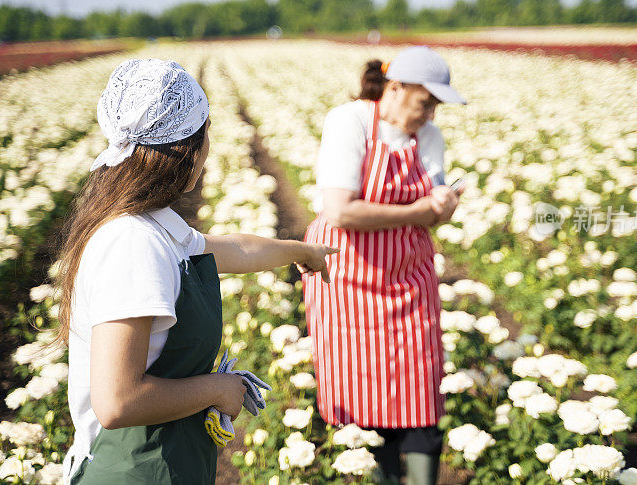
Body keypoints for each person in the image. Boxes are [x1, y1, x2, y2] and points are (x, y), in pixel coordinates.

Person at [56, 58, 335, 484]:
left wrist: (304, 251)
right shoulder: (133, 243)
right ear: (188, 148)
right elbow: (116, 401)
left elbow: (234, 249)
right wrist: (217, 389)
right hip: (132, 471)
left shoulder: (153, 226)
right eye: (207, 135)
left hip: (162, 462)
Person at [301, 46, 466, 485]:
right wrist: (420, 211)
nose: (430, 114)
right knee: (359, 389)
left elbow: (435, 201)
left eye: (434, 105)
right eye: (424, 102)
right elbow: (341, 211)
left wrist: (444, 206)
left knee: (420, 390)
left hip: (408, 276)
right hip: (347, 276)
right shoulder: (350, 121)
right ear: (395, 89)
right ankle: (381, 476)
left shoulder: (428, 137)